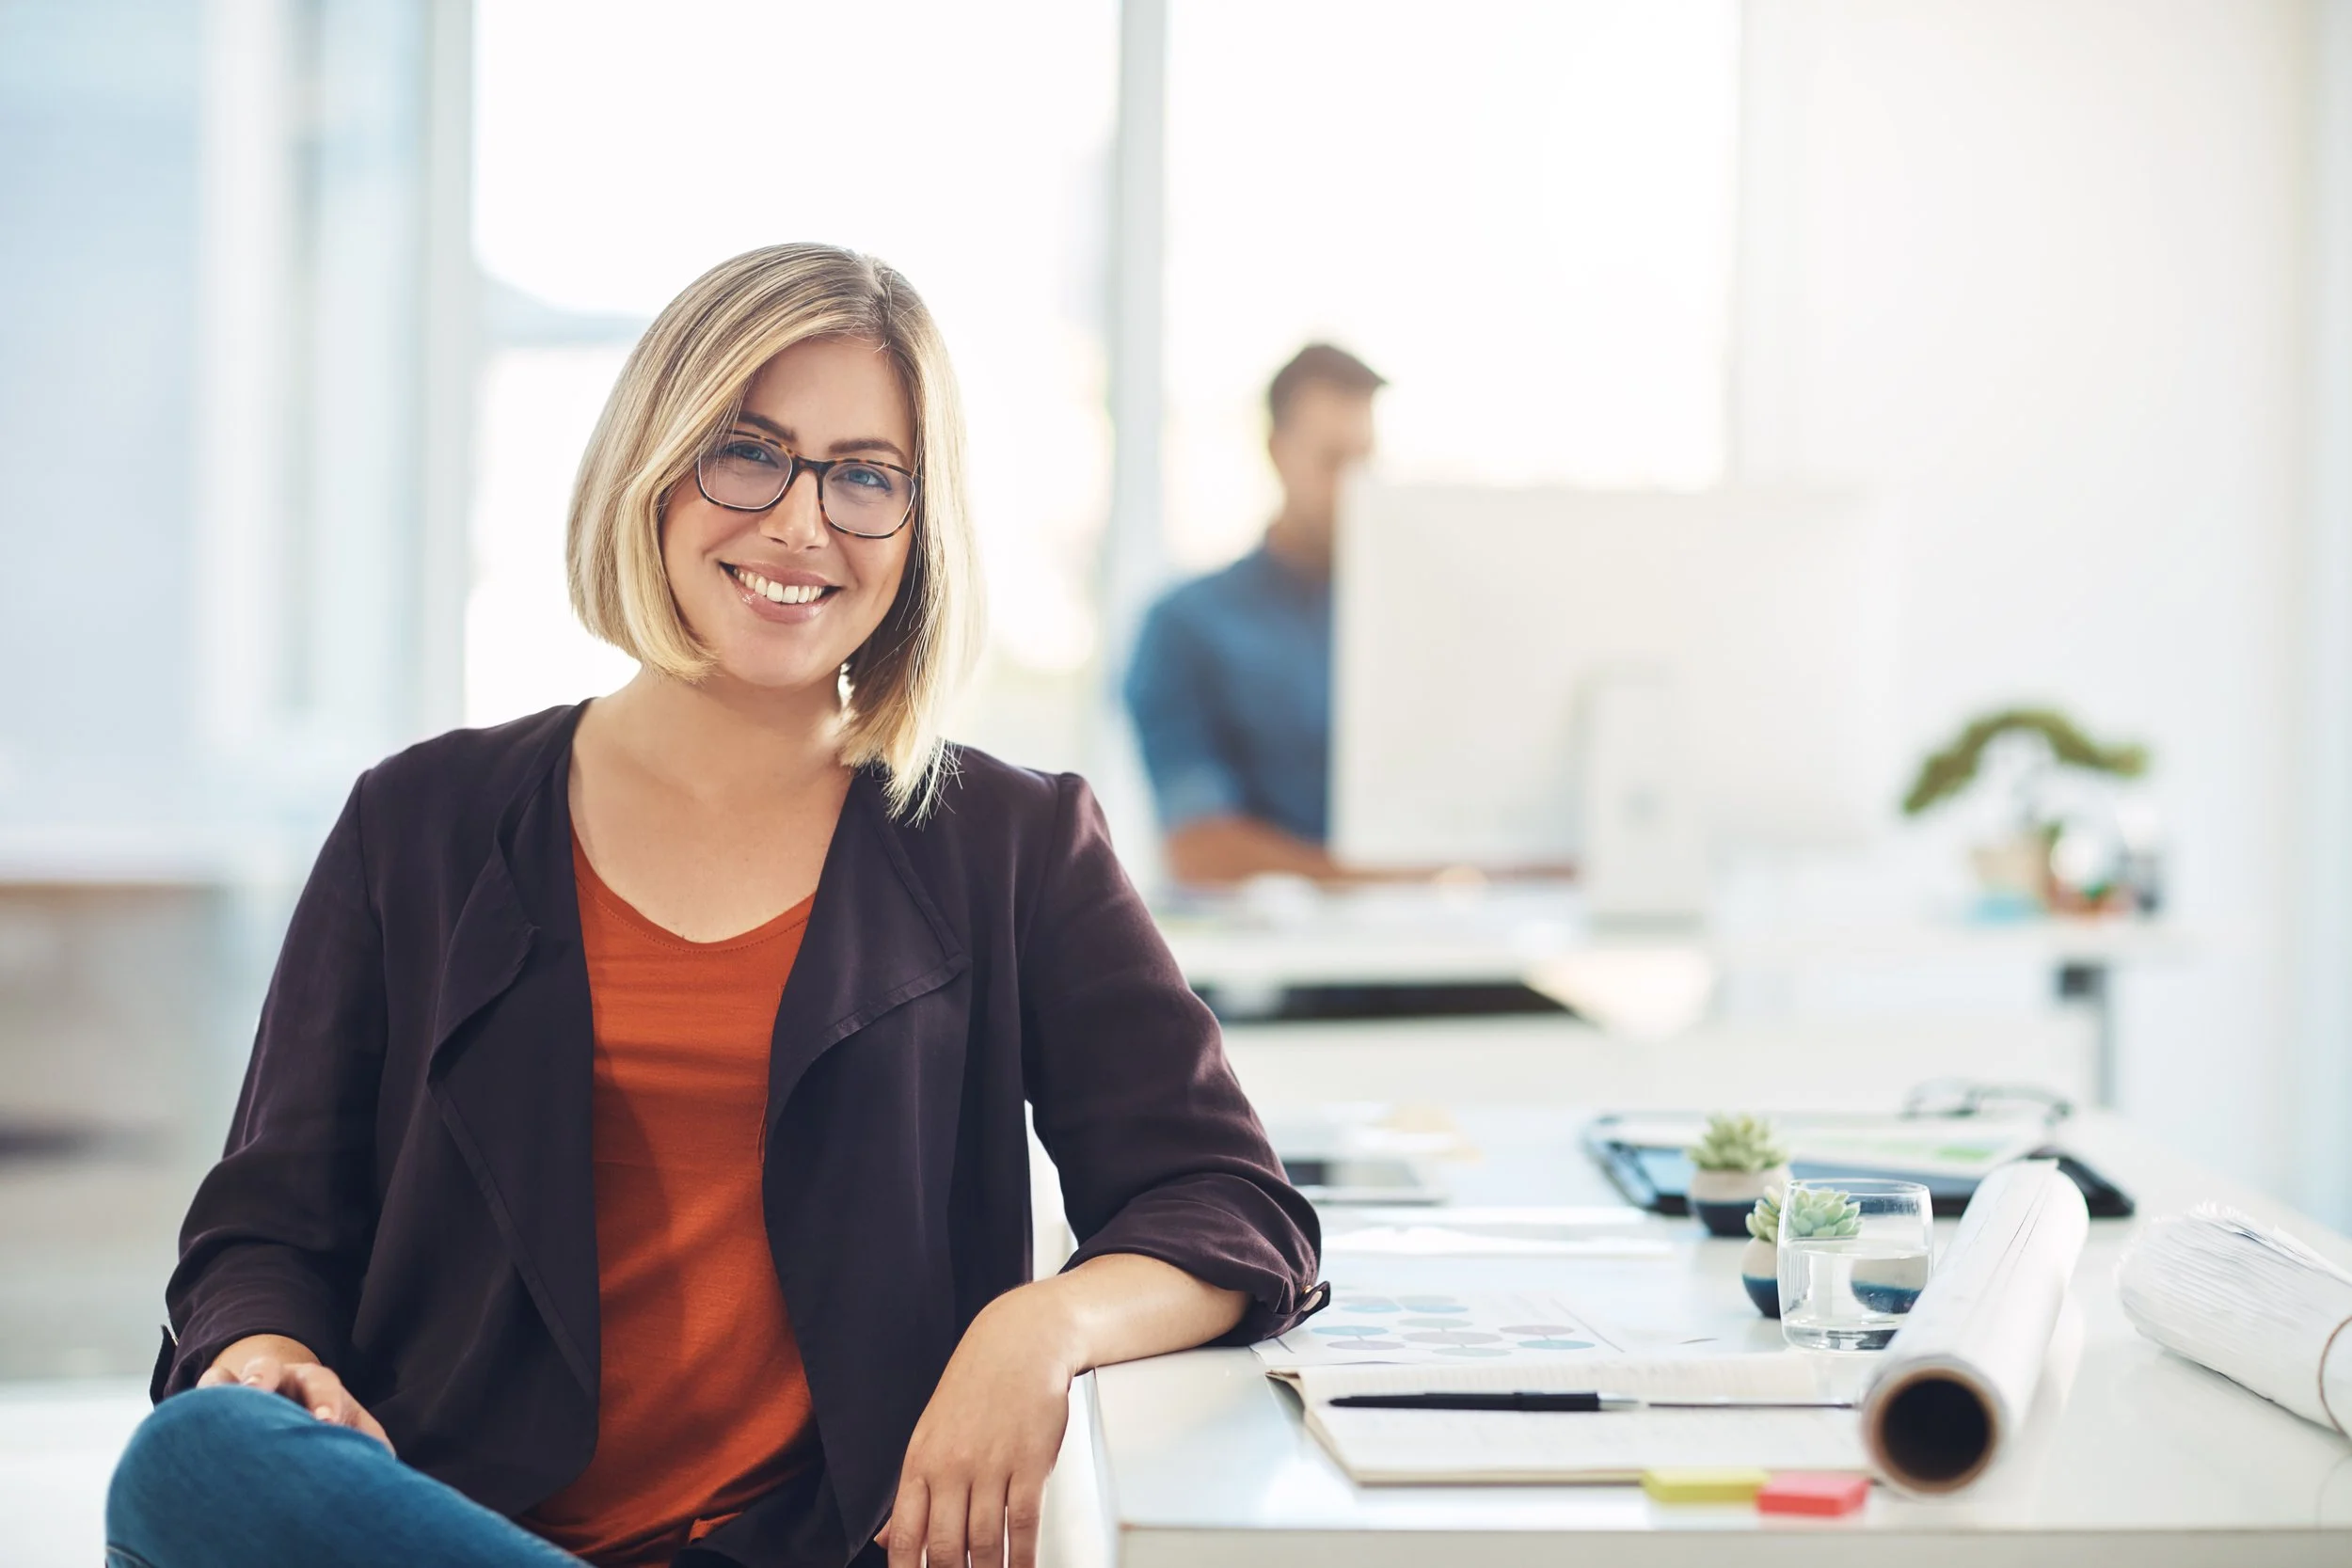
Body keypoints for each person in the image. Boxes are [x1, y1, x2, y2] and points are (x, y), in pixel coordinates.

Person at [105, 244, 1323, 1568]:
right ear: (654, 466)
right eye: (749, 452)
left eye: (866, 475)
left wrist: (1037, 1325)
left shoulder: (1012, 841)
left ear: (917, 529)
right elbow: (266, 1225)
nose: (803, 523)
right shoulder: (421, 820)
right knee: (195, 1456)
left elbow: (1228, 1200)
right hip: (446, 1520)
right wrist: (267, 1351)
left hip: (810, 1545)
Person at [1122, 342, 1382, 886]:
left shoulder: (1408, 625)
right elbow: (1199, 851)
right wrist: (1388, 880)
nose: (1355, 490)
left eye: (1367, 462)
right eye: (1333, 461)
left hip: (1436, 945)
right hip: (1266, 962)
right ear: (1277, 451)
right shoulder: (1185, 625)